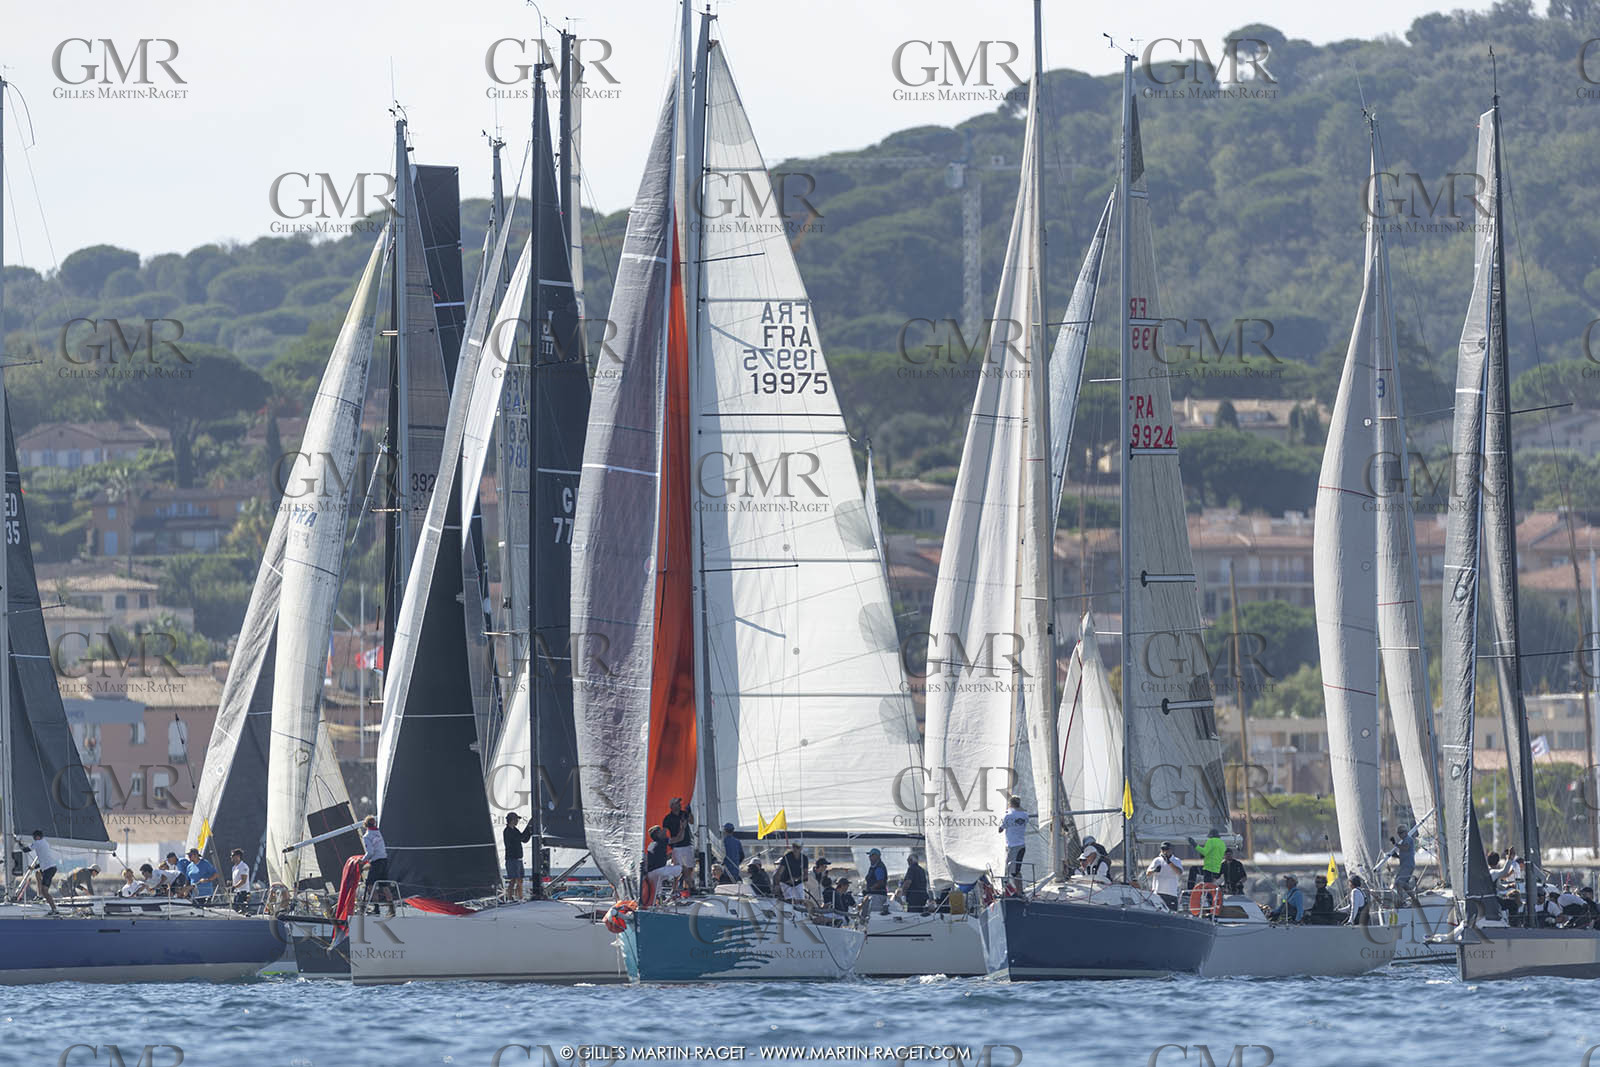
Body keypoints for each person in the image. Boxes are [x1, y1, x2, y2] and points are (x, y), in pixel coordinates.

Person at [17, 831, 59, 914]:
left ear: (38, 837)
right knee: (38, 874)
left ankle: (54, 909)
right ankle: (39, 896)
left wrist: (19, 843)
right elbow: (44, 860)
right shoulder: (44, 843)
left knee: (45, 891)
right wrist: (33, 867)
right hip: (50, 868)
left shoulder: (38, 842)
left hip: (49, 869)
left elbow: (26, 850)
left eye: (34, 837)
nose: (33, 839)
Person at [360, 815, 394, 917]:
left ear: (365, 825)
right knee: (384, 886)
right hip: (384, 860)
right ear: (374, 823)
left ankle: (376, 909)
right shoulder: (378, 833)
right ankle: (392, 910)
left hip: (376, 862)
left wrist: (362, 861)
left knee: (370, 885)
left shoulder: (367, 836)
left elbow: (370, 852)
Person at [502, 812, 537, 900]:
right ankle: (510, 898)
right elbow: (520, 838)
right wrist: (528, 827)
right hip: (512, 859)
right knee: (514, 880)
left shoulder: (515, 830)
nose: (518, 821)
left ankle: (519, 897)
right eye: (516, 819)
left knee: (520, 879)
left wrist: (530, 829)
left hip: (518, 859)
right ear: (512, 820)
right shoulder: (507, 831)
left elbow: (524, 838)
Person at [998, 795, 1028, 893]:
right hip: (1022, 845)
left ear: (1010, 804)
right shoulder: (1024, 815)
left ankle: (1018, 892)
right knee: (1016, 869)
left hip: (1013, 847)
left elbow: (1000, 829)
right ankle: (1019, 891)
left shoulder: (1008, 816)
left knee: (1011, 871)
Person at [644, 825, 681, 902]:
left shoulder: (651, 845)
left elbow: (659, 857)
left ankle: (659, 902)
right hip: (659, 870)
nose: (663, 832)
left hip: (650, 873)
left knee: (656, 892)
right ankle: (674, 891)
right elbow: (679, 838)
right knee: (679, 868)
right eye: (660, 831)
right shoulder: (662, 841)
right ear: (657, 834)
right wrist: (683, 828)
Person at [663, 797, 695, 878]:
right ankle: (676, 886)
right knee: (677, 868)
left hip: (687, 843)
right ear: (672, 806)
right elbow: (665, 831)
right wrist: (667, 843)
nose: (679, 805)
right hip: (676, 846)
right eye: (677, 803)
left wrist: (689, 812)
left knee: (690, 866)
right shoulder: (668, 818)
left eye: (679, 803)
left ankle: (687, 885)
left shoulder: (684, 813)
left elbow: (692, 821)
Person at [1146, 842, 1184, 910]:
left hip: (1171, 893)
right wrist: (1154, 870)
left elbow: (1179, 872)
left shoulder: (1176, 860)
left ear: (1171, 850)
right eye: (1163, 849)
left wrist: (1169, 862)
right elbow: (1148, 874)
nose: (1165, 851)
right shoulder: (1157, 860)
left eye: (1166, 849)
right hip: (1158, 893)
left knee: (1172, 914)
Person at [862, 848, 889, 915]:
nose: (869, 857)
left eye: (871, 855)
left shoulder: (879, 867)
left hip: (877, 896)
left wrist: (871, 889)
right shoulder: (874, 866)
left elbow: (880, 882)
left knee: (874, 914)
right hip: (875, 895)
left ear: (876, 856)